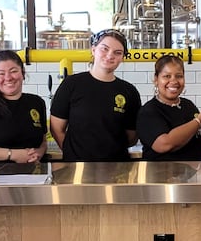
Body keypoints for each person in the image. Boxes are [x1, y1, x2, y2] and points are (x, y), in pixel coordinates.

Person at [49, 29, 142, 161]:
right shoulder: (72, 84)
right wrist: (73, 154)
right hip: (77, 169)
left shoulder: (129, 91)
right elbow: (56, 128)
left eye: (117, 52)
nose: (110, 56)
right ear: (93, 50)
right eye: (104, 49)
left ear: (122, 57)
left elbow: (132, 137)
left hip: (117, 168)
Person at [137, 54, 201, 161]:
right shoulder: (149, 111)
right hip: (163, 175)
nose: (174, 81)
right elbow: (164, 144)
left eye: (179, 76)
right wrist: (198, 121)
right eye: (167, 76)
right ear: (156, 79)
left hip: (196, 176)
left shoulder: (188, 106)